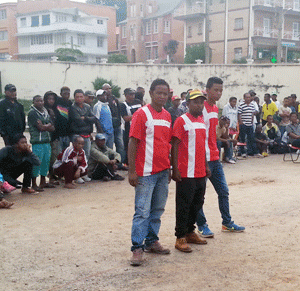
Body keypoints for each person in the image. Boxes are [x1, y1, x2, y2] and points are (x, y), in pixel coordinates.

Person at [128, 78, 172, 266]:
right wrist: (132, 171)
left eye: (165, 93)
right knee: (142, 211)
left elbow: (166, 143)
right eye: (159, 93)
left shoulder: (168, 115)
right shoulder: (141, 114)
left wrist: (169, 167)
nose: (162, 96)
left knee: (157, 210)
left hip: (162, 170)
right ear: (151, 94)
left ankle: (152, 241)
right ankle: (137, 248)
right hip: (145, 172)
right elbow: (133, 142)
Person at [196, 77, 245, 238]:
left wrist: (223, 129)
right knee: (199, 195)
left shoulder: (214, 107)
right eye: (216, 90)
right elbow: (199, 136)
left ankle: (227, 222)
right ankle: (202, 225)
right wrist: (203, 159)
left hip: (215, 156)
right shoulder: (201, 108)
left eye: (221, 90)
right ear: (207, 90)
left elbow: (214, 134)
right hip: (203, 158)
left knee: (223, 191)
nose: (218, 93)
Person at [171, 90, 210, 253]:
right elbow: (175, 145)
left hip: (200, 170)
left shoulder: (201, 120)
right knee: (184, 205)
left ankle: (190, 232)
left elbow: (203, 144)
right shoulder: (181, 121)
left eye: (201, 102)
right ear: (187, 104)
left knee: (197, 203)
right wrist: (175, 168)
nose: (199, 105)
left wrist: (207, 165)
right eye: (196, 102)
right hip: (186, 171)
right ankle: (180, 237)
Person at [28, 95, 55, 191]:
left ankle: (43, 182)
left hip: (46, 141)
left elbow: (52, 127)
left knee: (45, 162)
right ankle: (34, 183)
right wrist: (46, 126)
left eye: (41, 101)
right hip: (37, 142)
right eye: (37, 101)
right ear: (34, 102)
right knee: (36, 163)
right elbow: (40, 128)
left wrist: (45, 125)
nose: (40, 102)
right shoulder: (32, 113)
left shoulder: (45, 111)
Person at [69, 89, 97, 163]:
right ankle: (77, 171)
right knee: (77, 155)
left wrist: (85, 118)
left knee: (86, 155)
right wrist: (88, 121)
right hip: (77, 135)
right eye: (77, 97)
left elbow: (94, 119)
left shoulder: (87, 106)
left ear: (84, 97)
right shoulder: (72, 107)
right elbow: (79, 122)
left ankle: (84, 171)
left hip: (87, 135)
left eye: (81, 96)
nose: (79, 98)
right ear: (74, 98)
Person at [103, 83, 126, 168]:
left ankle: (120, 163)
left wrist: (119, 121)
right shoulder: (103, 100)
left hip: (117, 126)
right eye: (106, 89)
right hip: (109, 127)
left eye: (109, 88)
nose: (108, 90)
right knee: (110, 146)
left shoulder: (114, 99)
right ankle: (110, 165)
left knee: (120, 144)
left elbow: (119, 110)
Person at [120, 88, 142, 165]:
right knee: (129, 146)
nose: (133, 96)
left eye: (133, 94)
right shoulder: (123, 105)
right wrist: (138, 115)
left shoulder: (138, 102)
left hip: (140, 127)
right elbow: (126, 118)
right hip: (129, 129)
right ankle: (128, 162)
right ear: (126, 95)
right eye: (130, 94)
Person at [44, 91, 61, 185]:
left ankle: (53, 176)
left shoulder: (56, 109)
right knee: (47, 158)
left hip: (55, 137)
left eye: (53, 99)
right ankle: (48, 177)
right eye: (49, 99)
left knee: (55, 158)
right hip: (47, 138)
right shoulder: (44, 110)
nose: (51, 101)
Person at [238, 93, 260, 158]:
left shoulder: (252, 105)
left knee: (251, 138)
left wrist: (252, 121)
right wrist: (241, 122)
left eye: (249, 97)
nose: (248, 99)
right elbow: (239, 114)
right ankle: (242, 152)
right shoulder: (241, 105)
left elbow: (253, 114)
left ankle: (250, 152)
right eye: (247, 97)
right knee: (242, 138)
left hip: (250, 124)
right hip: (243, 124)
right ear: (244, 98)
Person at [56, 86, 73, 151]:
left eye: (68, 94)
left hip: (67, 134)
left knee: (66, 153)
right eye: (65, 94)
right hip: (58, 134)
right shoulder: (57, 102)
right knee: (59, 154)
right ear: (61, 94)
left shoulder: (70, 104)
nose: (67, 95)